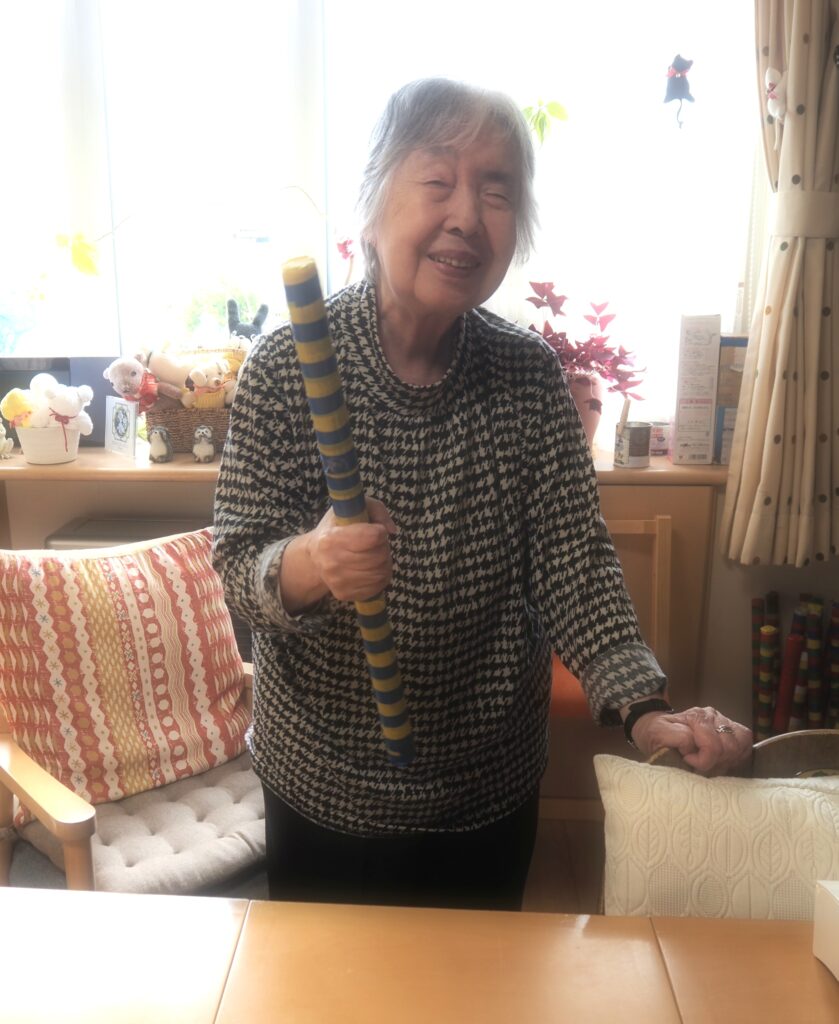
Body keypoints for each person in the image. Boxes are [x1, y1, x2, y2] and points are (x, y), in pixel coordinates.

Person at [212, 77, 752, 911]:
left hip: (485, 789)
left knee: (481, 977)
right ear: (373, 205)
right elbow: (238, 569)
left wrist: (644, 708)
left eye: (496, 192)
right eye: (437, 181)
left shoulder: (526, 376)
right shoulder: (285, 368)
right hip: (323, 786)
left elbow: (575, 569)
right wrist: (313, 563)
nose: (467, 215)